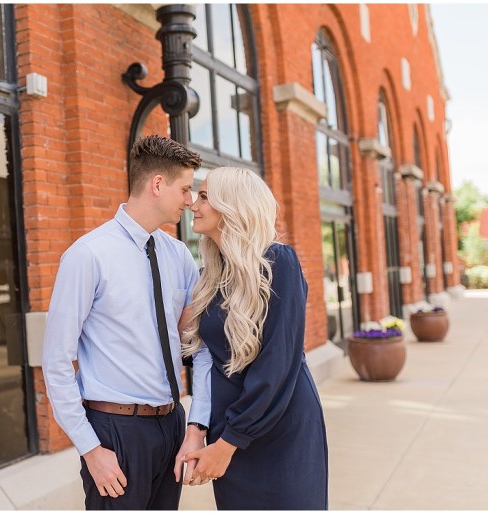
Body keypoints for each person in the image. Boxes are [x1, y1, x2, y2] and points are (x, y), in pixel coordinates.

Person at [41, 135, 212, 510]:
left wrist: (196, 424)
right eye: (185, 189)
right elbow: (55, 361)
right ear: (157, 185)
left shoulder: (178, 254)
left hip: (172, 424)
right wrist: (90, 449)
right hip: (115, 432)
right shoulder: (88, 255)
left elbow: (199, 343)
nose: (189, 200)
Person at [177, 166, 329, 510]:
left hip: (279, 430)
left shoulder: (278, 262)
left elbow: (277, 362)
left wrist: (229, 442)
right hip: (228, 430)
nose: (193, 204)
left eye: (204, 196)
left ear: (232, 206)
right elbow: (203, 360)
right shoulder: (209, 277)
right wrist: (201, 429)